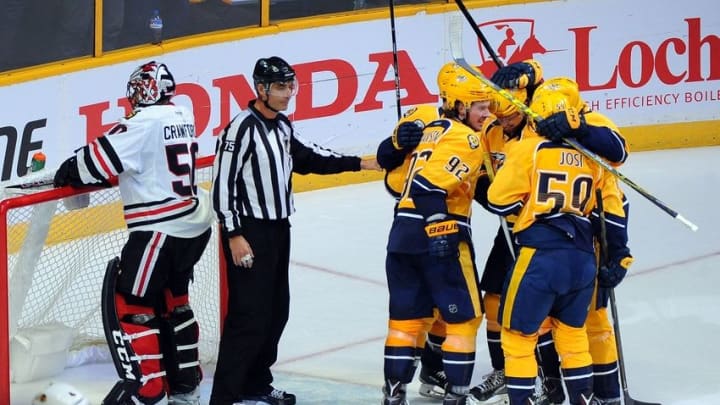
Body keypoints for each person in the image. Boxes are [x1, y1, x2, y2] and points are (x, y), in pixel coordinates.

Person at [209, 56, 380, 405]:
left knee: (276, 310)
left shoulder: (283, 126)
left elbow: (311, 158)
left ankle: (256, 383)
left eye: (291, 85)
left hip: (279, 230)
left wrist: (361, 162)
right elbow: (222, 186)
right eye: (282, 87)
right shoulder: (240, 128)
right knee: (248, 316)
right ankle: (224, 396)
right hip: (250, 232)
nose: (289, 93)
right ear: (262, 89)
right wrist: (234, 235)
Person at [53, 61, 212, 405]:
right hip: (194, 224)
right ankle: (187, 388)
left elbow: (95, 162)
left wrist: (69, 168)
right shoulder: (183, 114)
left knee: (132, 304)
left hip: (160, 229)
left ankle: (148, 391)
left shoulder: (142, 123)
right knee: (174, 301)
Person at [485, 78, 632, 404]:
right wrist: (620, 254)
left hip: (540, 254)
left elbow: (497, 199)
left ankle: (527, 397)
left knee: (518, 335)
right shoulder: (596, 160)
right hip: (582, 259)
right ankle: (586, 398)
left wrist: (527, 201)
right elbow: (613, 207)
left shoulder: (527, 148)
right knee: (573, 334)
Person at [380, 64, 492, 405]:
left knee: (404, 323)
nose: (487, 114)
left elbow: (393, 183)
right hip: (440, 236)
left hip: (401, 235)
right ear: (459, 106)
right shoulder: (468, 139)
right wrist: (440, 228)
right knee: (465, 319)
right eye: (480, 107)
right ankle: (456, 396)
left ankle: (393, 395)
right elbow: (429, 187)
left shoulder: (427, 129)